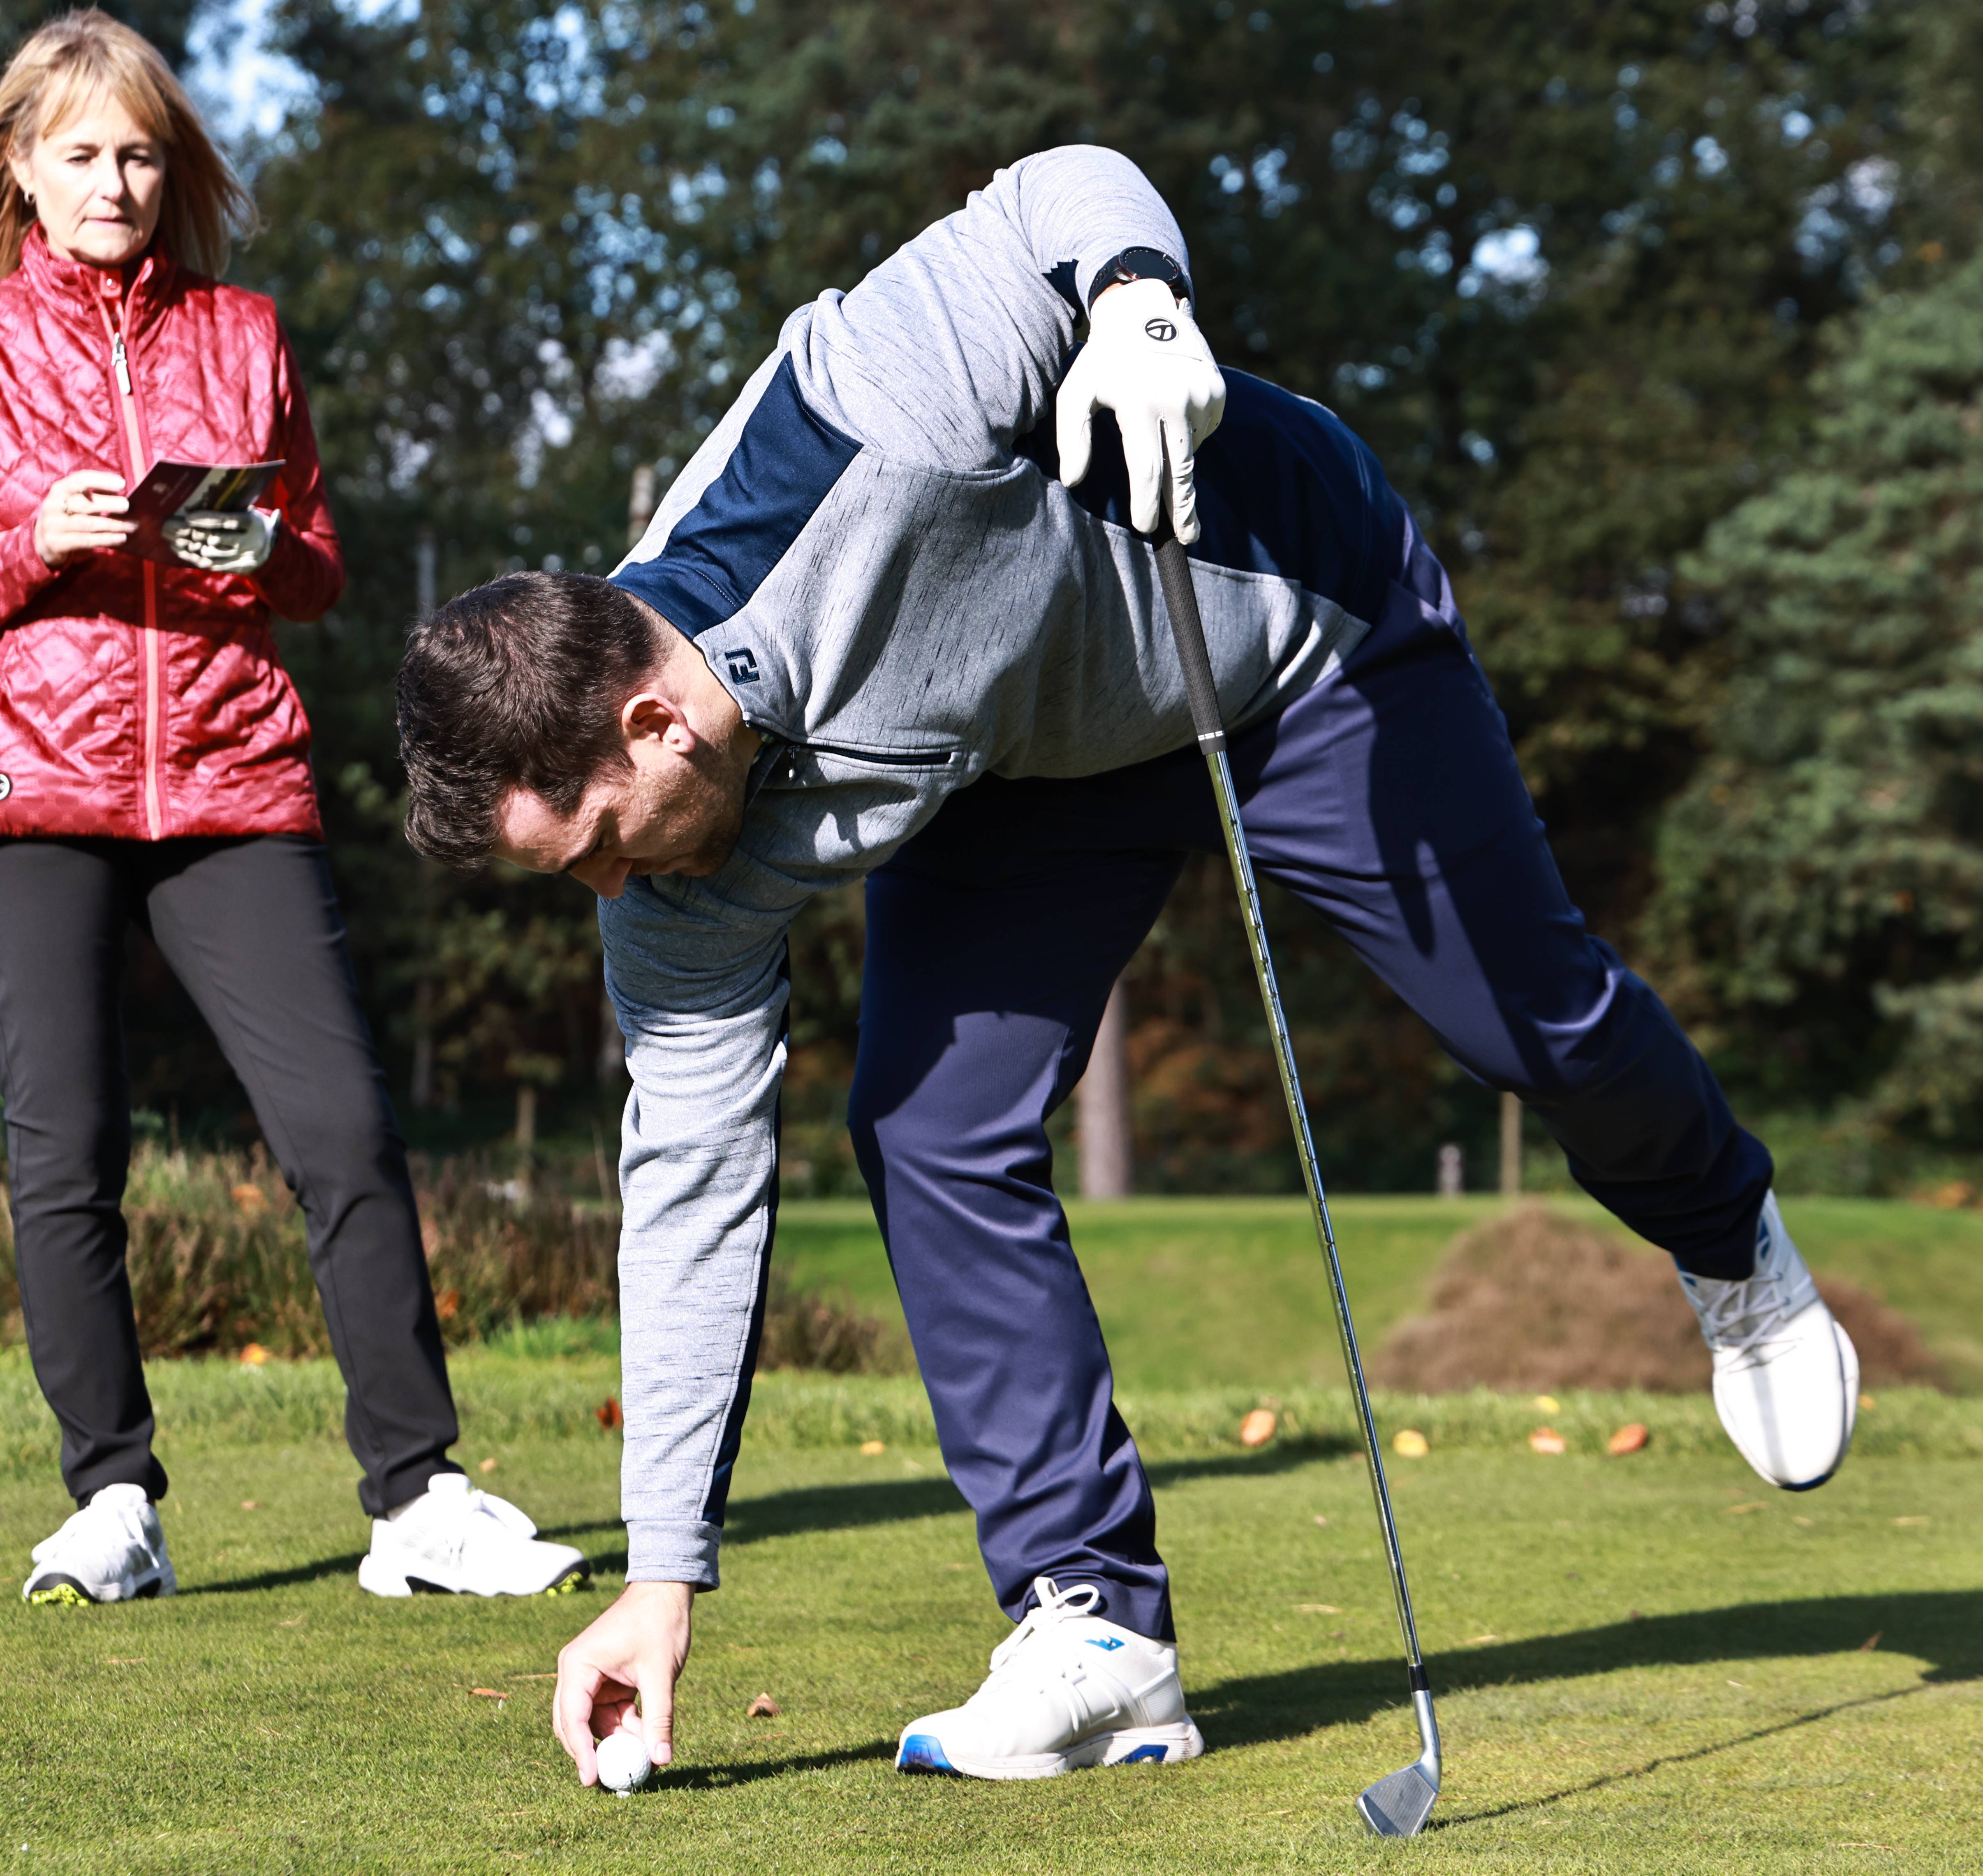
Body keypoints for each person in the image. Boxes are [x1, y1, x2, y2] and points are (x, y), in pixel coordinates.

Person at [391, 146, 1864, 1787]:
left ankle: (1725, 1231)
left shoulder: (871, 409)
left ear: (649, 718)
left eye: (595, 840)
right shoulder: (668, 880)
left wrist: (1137, 305)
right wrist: (660, 1582)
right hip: (1025, 761)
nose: (606, 889)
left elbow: (1056, 191)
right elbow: (689, 1194)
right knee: (929, 1130)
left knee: (1531, 1020)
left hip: (1286, 643)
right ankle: (1095, 1627)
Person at [0, 10, 581, 1608]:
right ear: (21, 174)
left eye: (139, 153)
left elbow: (317, 566)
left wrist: (253, 550)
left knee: (340, 1129)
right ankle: (112, 1500)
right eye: (81, 156)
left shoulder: (242, 334)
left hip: (228, 774)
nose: (114, 181)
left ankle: (416, 1503)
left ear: (168, 167)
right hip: (21, 791)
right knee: (68, 1154)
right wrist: (35, 545)